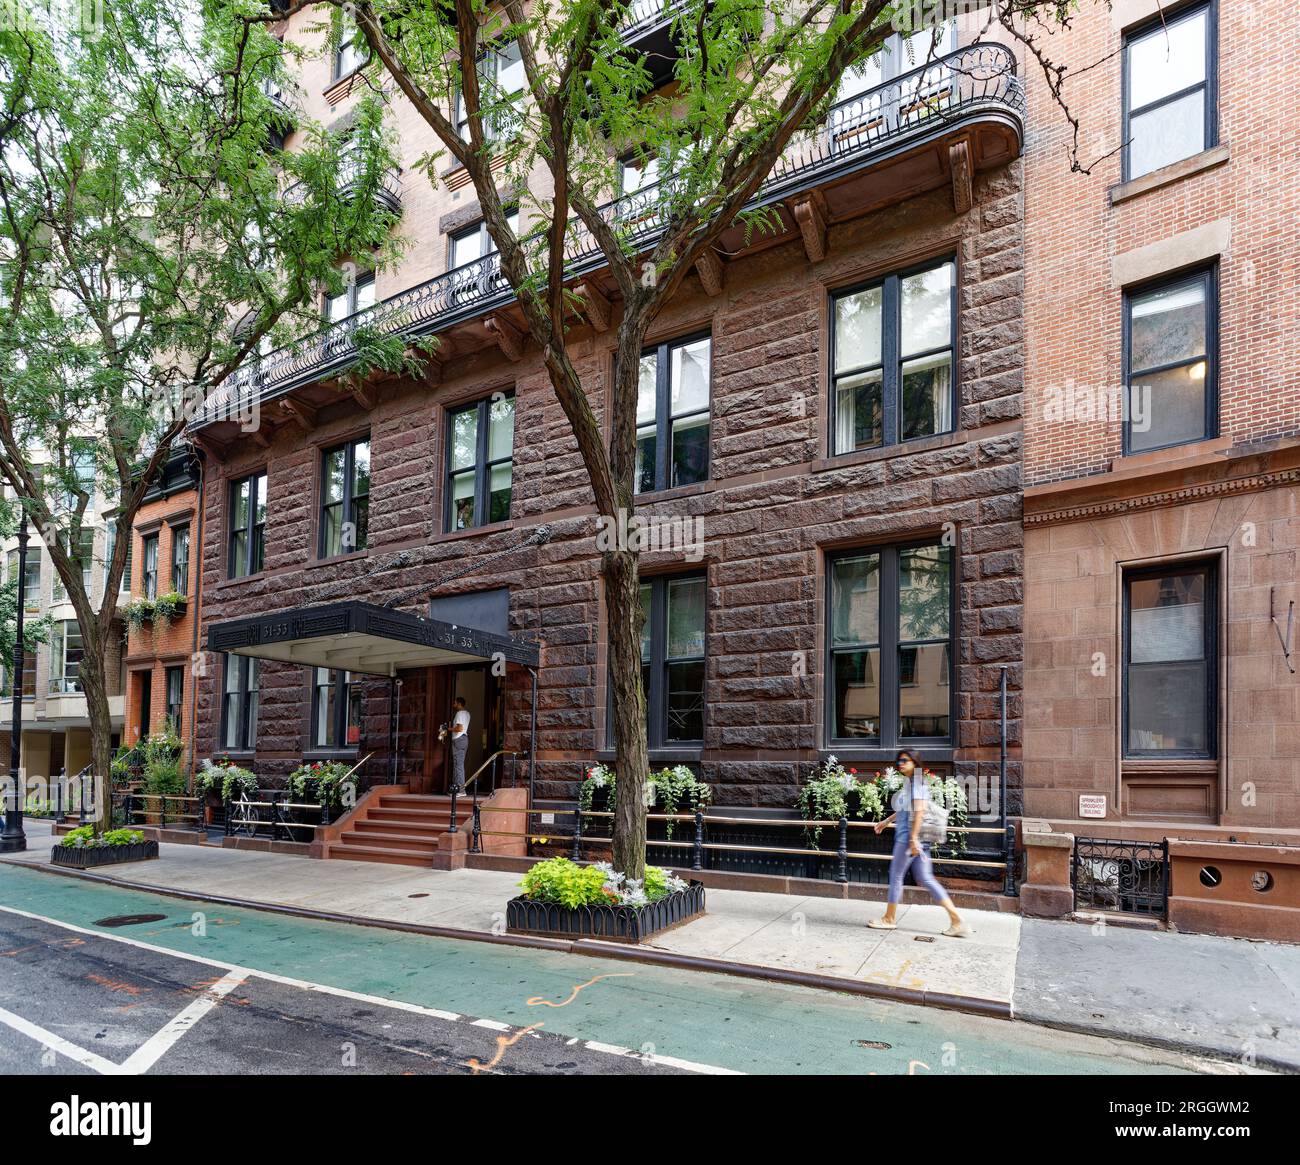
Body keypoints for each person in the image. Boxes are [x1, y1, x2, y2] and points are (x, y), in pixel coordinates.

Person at [868, 748, 971, 937]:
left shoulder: (916, 784)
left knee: (896, 876)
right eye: (899, 760)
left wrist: (913, 839)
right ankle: (957, 921)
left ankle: (889, 919)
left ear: (915, 763)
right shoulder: (911, 783)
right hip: (917, 839)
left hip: (908, 839)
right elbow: (905, 809)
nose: (900, 764)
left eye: (905, 760)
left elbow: (920, 812)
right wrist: (886, 821)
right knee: (926, 879)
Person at [450, 696, 470, 789]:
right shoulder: (467, 714)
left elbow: (459, 728)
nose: (453, 705)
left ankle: (460, 789)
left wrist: (448, 729)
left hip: (459, 739)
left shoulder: (459, 713)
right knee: (459, 764)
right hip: (464, 739)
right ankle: (456, 788)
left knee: (458, 765)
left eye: (454, 703)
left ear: (459, 704)